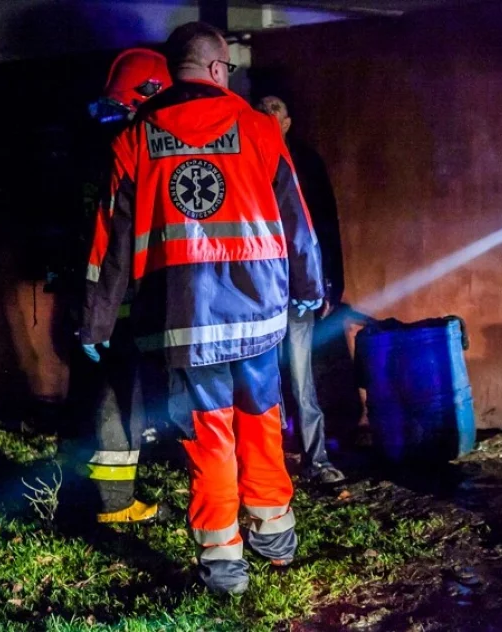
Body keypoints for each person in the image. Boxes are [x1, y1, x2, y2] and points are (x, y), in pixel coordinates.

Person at [79, 22, 324, 595]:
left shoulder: (135, 140)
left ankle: (224, 566)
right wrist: (309, 283)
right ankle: (275, 537)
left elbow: (108, 244)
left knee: (209, 437)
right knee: (262, 421)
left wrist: (94, 318)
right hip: (260, 315)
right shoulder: (260, 128)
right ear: (218, 70)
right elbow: (297, 220)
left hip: (184, 322)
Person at [59, 48, 172, 525]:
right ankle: (115, 505)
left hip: (98, 299)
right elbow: (112, 241)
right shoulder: (126, 150)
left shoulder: (99, 146)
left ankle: (93, 496)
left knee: (101, 395)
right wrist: (97, 318)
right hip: (112, 301)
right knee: (114, 398)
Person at [256, 95, 346, 484]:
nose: (266, 117)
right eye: (261, 110)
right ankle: (272, 463)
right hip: (260, 292)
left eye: (274, 111)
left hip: (296, 290)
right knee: (266, 381)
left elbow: (323, 226)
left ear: (287, 122)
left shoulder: (304, 163)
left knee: (300, 377)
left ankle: (316, 458)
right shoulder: (248, 160)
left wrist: (327, 283)